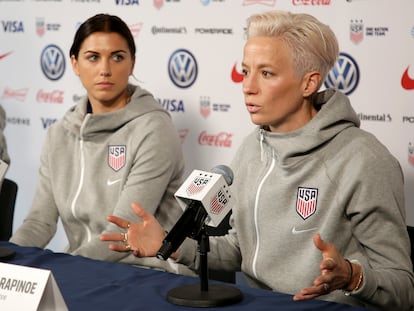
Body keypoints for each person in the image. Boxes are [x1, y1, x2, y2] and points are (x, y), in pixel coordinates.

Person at [100, 10, 414, 310]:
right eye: (246, 71)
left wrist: (353, 276)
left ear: (309, 83)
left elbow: (402, 289)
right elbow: (239, 250)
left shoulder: (365, 160)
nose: (248, 87)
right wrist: (173, 245)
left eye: (266, 73)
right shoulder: (252, 148)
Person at [10, 13, 194, 276]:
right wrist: (8, 262)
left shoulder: (153, 129)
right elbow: (40, 222)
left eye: (118, 57)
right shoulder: (58, 134)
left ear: (132, 64)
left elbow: (122, 233)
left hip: (148, 273)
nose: (105, 69)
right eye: (93, 57)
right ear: (74, 63)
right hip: (82, 269)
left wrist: (63, 269)